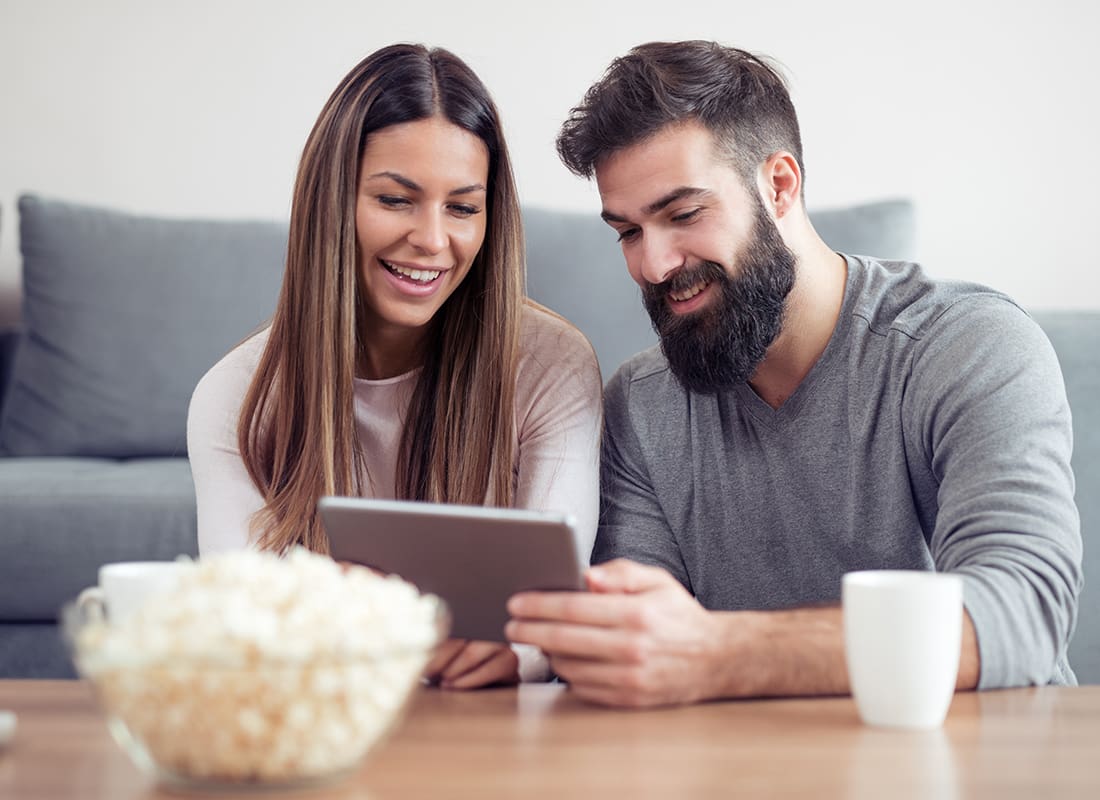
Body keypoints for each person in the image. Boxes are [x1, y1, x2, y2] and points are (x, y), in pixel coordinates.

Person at [505, 40, 1082, 707]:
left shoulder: (969, 349)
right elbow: (635, 654)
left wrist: (721, 654)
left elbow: (1024, 611)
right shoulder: (639, 408)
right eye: (627, 232)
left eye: (683, 214)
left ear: (779, 184)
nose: (654, 264)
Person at [187, 44, 603, 690]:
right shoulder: (234, 397)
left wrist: (517, 654)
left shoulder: (553, 367)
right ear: (333, 203)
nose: (433, 240)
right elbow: (242, 625)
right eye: (395, 199)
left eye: (462, 207)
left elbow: (558, 604)